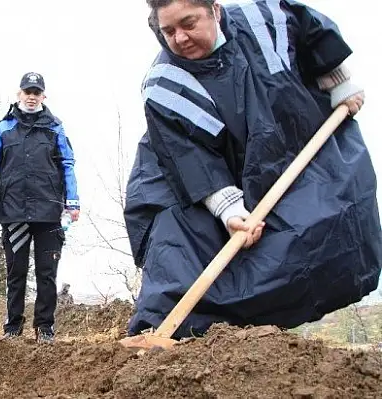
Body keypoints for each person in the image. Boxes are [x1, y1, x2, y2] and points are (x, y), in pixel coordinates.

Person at [124, 0, 380, 339]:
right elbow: (187, 157)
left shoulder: (265, 18)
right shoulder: (163, 85)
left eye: (189, 23)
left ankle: (252, 338)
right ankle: (166, 335)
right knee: (177, 242)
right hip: (186, 177)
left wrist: (338, 81)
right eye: (168, 31)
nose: (180, 38)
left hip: (288, 144)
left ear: (214, 9)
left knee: (328, 216)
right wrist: (227, 208)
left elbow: (312, 33)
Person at [0, 72, 80, 343]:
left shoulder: (55, 128)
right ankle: (13, 327)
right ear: (19, 94)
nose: (31, 96)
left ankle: (45, 328)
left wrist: (72, 202)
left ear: (43, 97)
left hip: (49, 212)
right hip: (13, 211)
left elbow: (67, 165)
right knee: (16, 271)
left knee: (46, 274)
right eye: (27, 91)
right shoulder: (2, 129)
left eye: (36, 92)